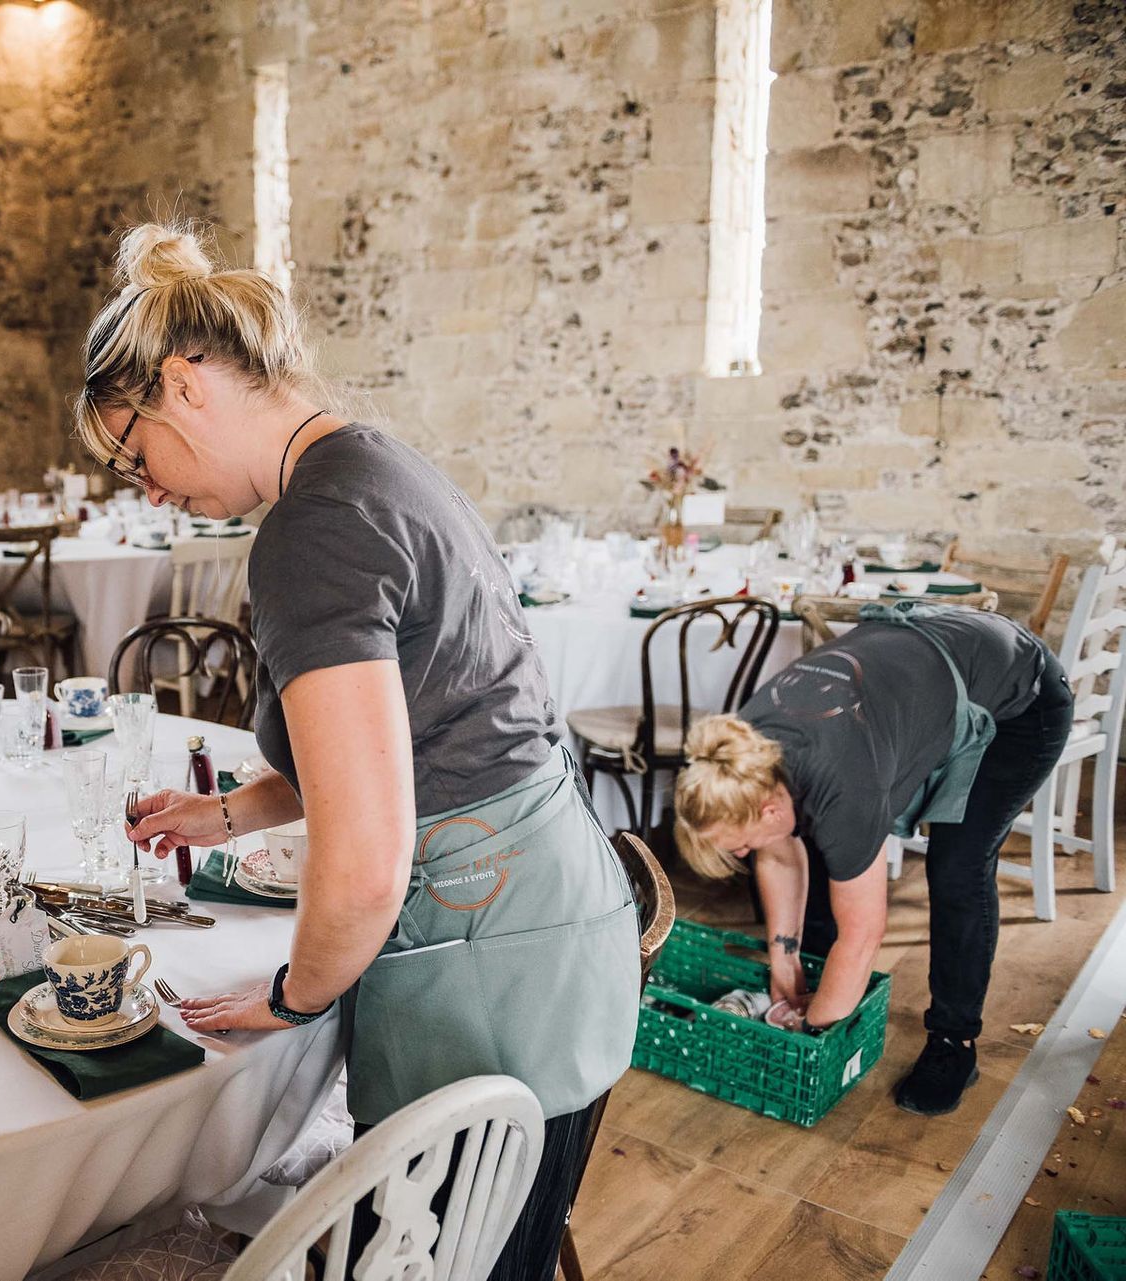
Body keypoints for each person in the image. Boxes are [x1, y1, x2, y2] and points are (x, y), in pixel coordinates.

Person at [72, 221, 639, 1279]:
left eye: (132, 454)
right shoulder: (372, 464)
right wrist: (228, 815)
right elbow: (409, 735)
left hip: (490, 972)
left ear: (185, 386)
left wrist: (294, 994)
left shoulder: (310, 531)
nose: (145, 490)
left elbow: (368, 857)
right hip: (554, 922)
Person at [673, 602, 1071, 1115]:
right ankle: (822, 978)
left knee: (957, 867)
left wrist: (809, 1032)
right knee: (819, 847)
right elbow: (778, 852)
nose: (746, 854)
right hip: (922, 673)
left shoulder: (844, 787)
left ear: (771, 806)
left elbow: (863, 937)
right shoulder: (741, 752)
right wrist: (784, 958)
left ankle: (954, 1044)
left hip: (1021, 698)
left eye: (742, 845)